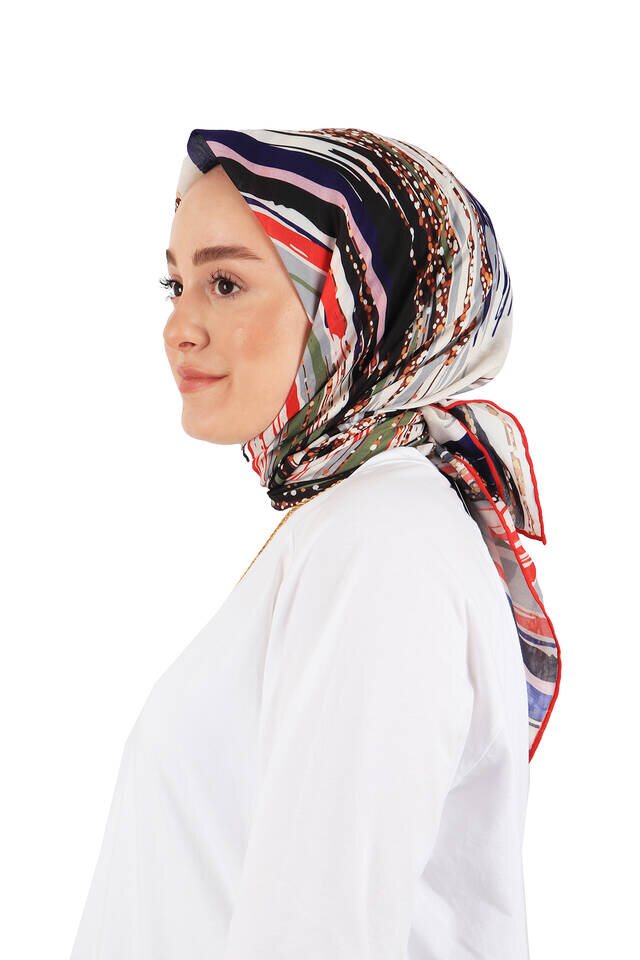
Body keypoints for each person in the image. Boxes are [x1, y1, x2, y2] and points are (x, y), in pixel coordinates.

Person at [69, 128, 561, 960]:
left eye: (226, 283)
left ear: (359, 308)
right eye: (175, 284)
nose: (180, 327)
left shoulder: (385, 540)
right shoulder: (359, 522)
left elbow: (321, 934)